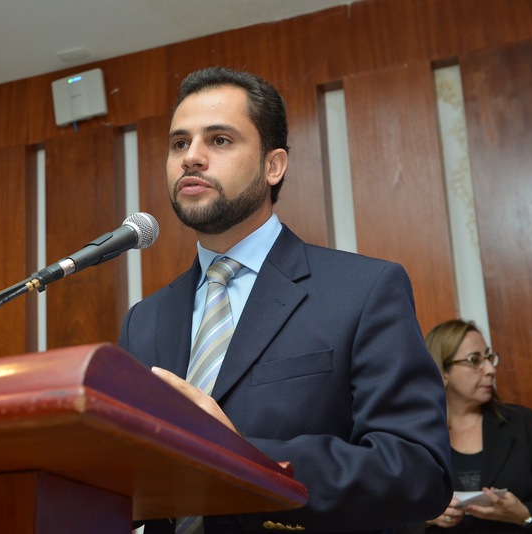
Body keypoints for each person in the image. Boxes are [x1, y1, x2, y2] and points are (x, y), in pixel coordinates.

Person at [118, 66, 453, 533]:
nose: (191, 157)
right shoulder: (145, 320)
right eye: (179, 143)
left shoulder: (365, 290)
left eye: (219, 140)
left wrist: (243, 458)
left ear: (273, 166)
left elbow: (418, 471)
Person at [422, 319, 532, 532]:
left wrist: (525, 515)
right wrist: (426, 519)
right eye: (475, 360)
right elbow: (390, 513)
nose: (490, 369)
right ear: (443, 371)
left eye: (489, 357)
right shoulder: (418, 436)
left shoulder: (522, 422)